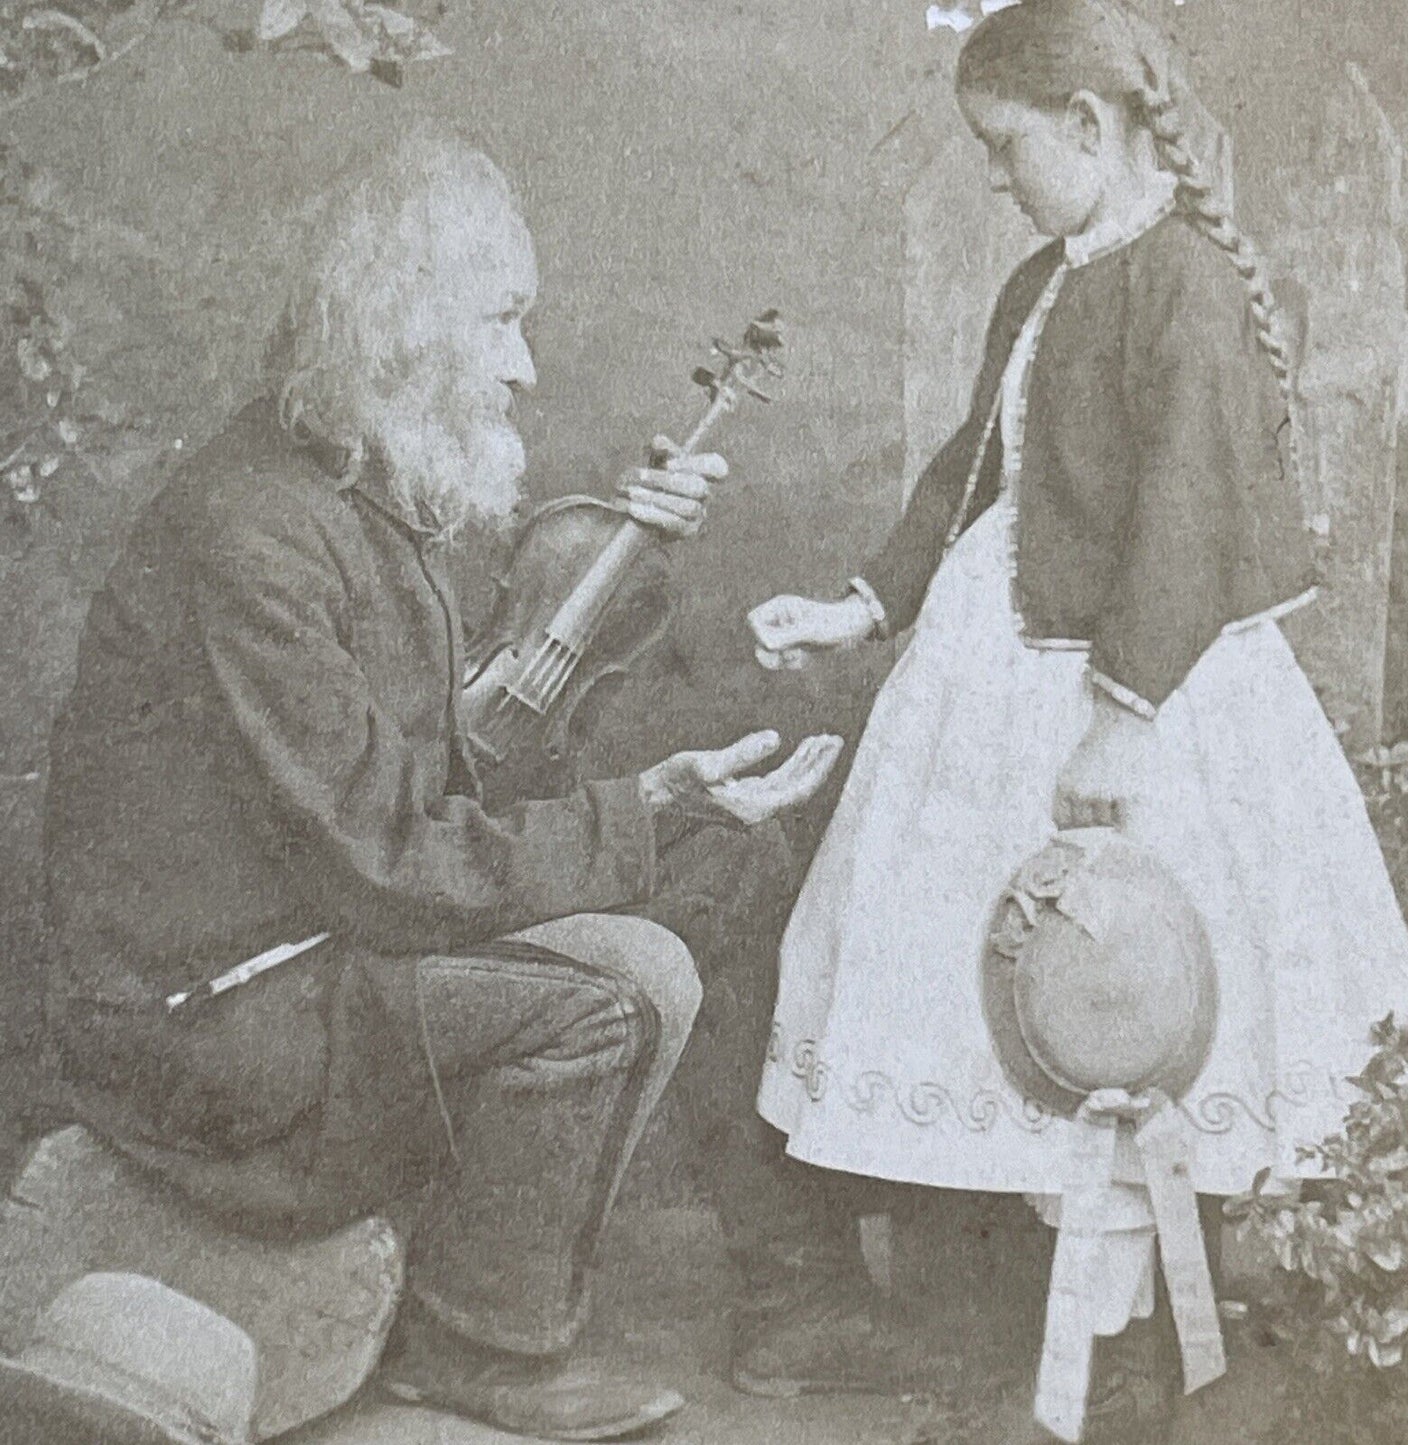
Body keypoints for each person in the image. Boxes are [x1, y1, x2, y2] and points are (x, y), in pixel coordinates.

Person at [40, 126, 842, 1443]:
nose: (526, 366)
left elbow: (407, 786)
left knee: (695, 886)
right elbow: (385, 856)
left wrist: (668, 798)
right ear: (403, 331)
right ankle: (478, 1344)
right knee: (617, 987)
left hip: (292, 947)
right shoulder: (256, 532)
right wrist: (633, 813)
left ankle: (577, 1294)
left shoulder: (344, 504)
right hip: (200, 1017)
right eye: (503, 321)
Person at [747, 1, 1408, 1438]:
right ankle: (1035, 1330)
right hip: (990, 660)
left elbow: (1188, 506)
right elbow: (968, 471)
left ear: (1086, 123)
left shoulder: (1183, 281)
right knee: (971, 981)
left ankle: (1127, 1347)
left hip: (1137, 679)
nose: (994, 174)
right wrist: (862, 607)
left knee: (1124, 990)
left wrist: (1123, 716)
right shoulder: (1041, 280)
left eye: (1006, 146)